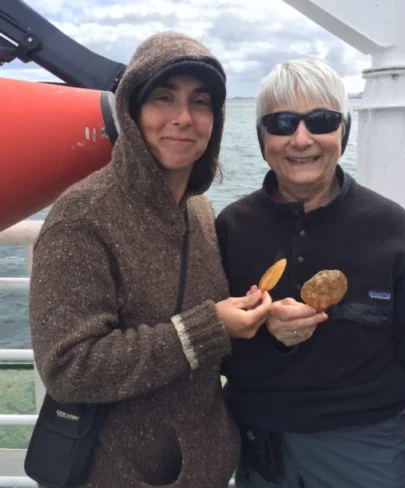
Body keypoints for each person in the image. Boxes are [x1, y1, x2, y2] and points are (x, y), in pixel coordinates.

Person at [29, 31, 271, 488]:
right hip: (117, 473)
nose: (183, 118)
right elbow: (68, 369)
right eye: (164, 98)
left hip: (206, 468)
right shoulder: (81, 218)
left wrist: (262, 317)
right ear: (131, 110)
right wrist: (210, 327)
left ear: (215, 120)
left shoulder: (199, 210)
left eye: (200, 103)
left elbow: (209, 338)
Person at [216, 58, 405, 488]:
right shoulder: (231, 226)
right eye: (283, 122)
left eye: (321, 120)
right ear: (261, 136)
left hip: (367, 445)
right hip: (260, 444)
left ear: (343, 129)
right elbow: (212, 346)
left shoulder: (392, 227)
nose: (301, 138)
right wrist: (262, 328)